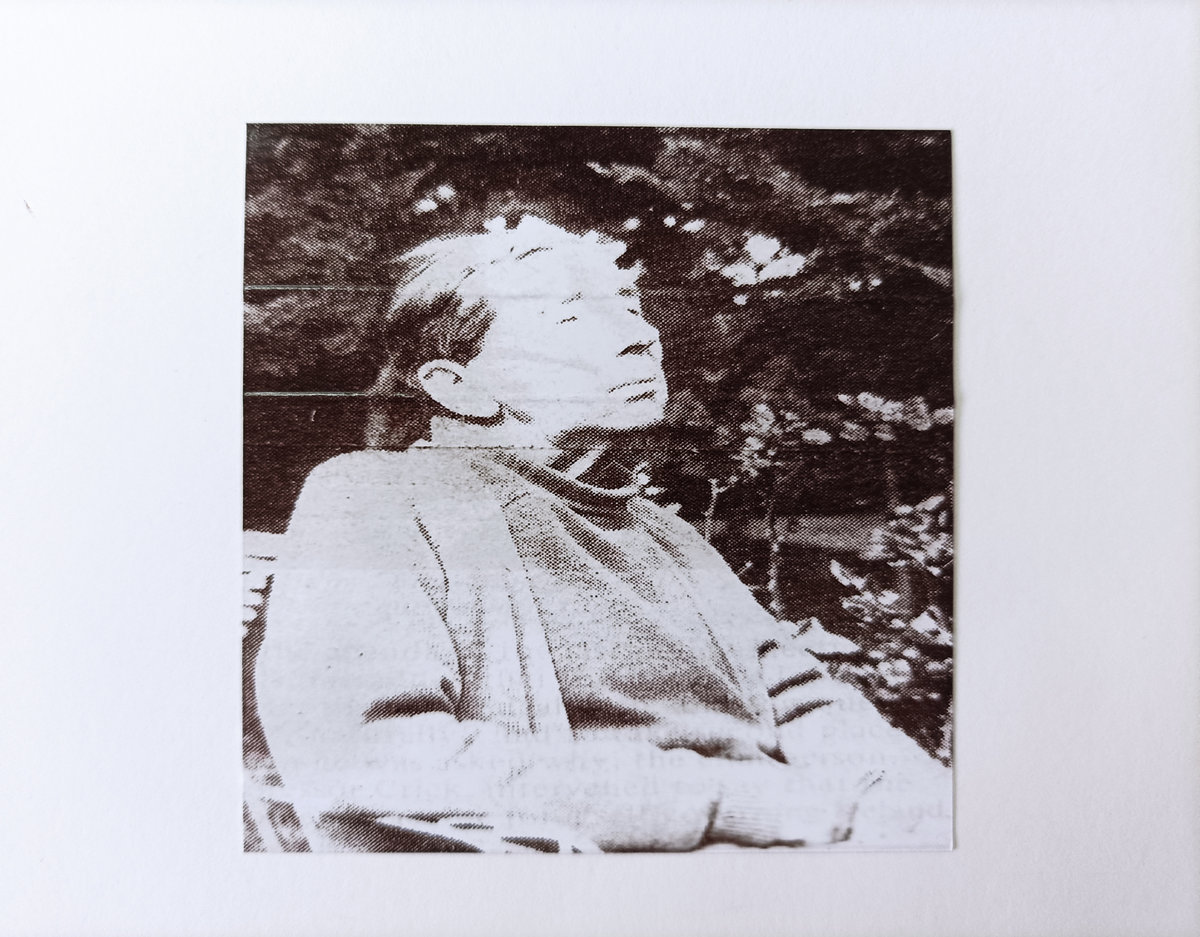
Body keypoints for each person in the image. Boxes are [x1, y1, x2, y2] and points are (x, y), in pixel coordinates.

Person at [254, 215, 951, 852]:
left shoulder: (663, 532)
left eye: (630, 304)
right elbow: (370, 755)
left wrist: (912, 805)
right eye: (568, 316)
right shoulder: (379, 498)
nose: (639, 334)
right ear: (460, 386)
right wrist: (730, 802)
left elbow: (802, 701)